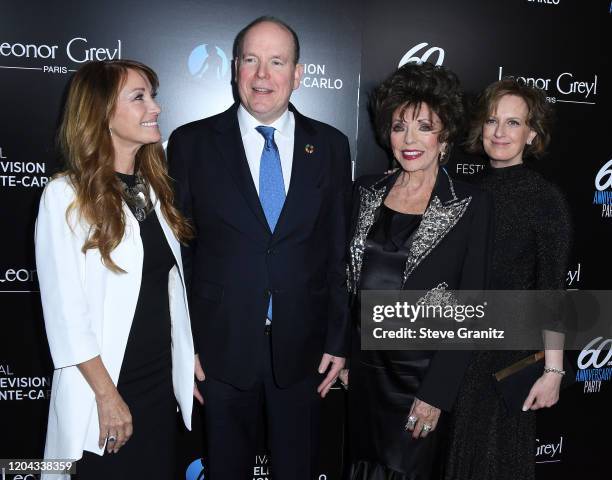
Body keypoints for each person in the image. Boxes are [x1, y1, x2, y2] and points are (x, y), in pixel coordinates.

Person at [167, 16, 352, 480]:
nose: (263, 75)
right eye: (251, 60)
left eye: (276, 62)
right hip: (220, 348)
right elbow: (179, 256)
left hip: (304, 349)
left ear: (298, 73)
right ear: (234, 68)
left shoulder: (330, 146)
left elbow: (337, 253)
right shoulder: (190, 144)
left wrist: (337, 338)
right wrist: (183, 344)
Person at [36, 60, 195, 480]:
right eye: (139, 97)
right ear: (103, 113)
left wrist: (186, 357)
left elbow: (166, 294)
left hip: (158, 389)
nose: (156, 107)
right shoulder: (65, 196)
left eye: (153, 96)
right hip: (105, 393)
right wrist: (107, 397)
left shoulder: (153, 190)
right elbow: (66, 316)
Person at [342, 62, 493, 479]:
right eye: (398, 126)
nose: (409, 140)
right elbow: (346, 283)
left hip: (418, 379)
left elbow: (471, 306)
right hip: (366, 375)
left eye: (423, 127)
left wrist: (436, 395)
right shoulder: (366, 191)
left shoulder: (470, 203)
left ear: (444, 136)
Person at [441, 79, 571, 480]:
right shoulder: (463, 191)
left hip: (507, 361)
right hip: (457, 354)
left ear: (531, 134)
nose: (500, 132)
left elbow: (552, 290)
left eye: (513, 123)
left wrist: (553, 372)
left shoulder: (544, 199)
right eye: (493, 120)